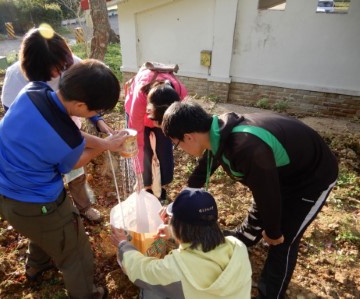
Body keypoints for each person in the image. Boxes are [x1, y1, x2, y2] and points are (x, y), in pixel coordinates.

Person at [161, 101, 339, 299]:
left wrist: (273, 232)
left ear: (188, 137)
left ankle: (270, 294)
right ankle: (240, 244)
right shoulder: (216, 133)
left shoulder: (246, 147)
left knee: (283, 241)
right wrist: (176, 207)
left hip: (312, 177)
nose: (178, 149)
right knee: (257, 217)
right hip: (277, 172)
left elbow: (268, 194)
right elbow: (203, 171)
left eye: (176, 144)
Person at [0, 58, 128, 298]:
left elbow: (72, 134)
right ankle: (87, 294)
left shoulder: (34, 91)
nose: (96, 115)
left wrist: (106, 142)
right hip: (37, 203)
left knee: (43, 231)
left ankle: (37, 265)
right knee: (74, 249)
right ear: (80, 105)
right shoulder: (64, 139)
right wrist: (105, 147)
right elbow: (73, 160)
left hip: (3, 192)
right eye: (95, 111)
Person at [0, 26, 112, 222]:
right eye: (57, 68)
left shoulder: (73, 65)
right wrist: (103, 145)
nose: (63, 69)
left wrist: (97, 120)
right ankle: (57, 210)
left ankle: (84, 207)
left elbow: (89, 97)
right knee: (59, 171)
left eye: (65, 63)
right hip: (37, 145)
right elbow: (23, 123)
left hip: (71, 131)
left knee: (76, 174)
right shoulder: (16, 77)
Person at [111, 188, 252, 299]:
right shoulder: (238, 247)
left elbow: (142, 271)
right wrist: (173, 232)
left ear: (181, 228)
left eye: (172, 220)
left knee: (152, 289)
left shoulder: (176, 268)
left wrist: (123, 244)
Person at [124, 64, 187, 201]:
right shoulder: (140, 97)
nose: (156, 126)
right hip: (139, 115)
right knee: (145, 151)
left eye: (160, 123)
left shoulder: (180, 94)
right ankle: (145, 187)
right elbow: (136, 142)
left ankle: (160, 189)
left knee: (164, 152)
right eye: (155, 121)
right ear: (149, 109)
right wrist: (138, 174)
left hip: (162, 115)